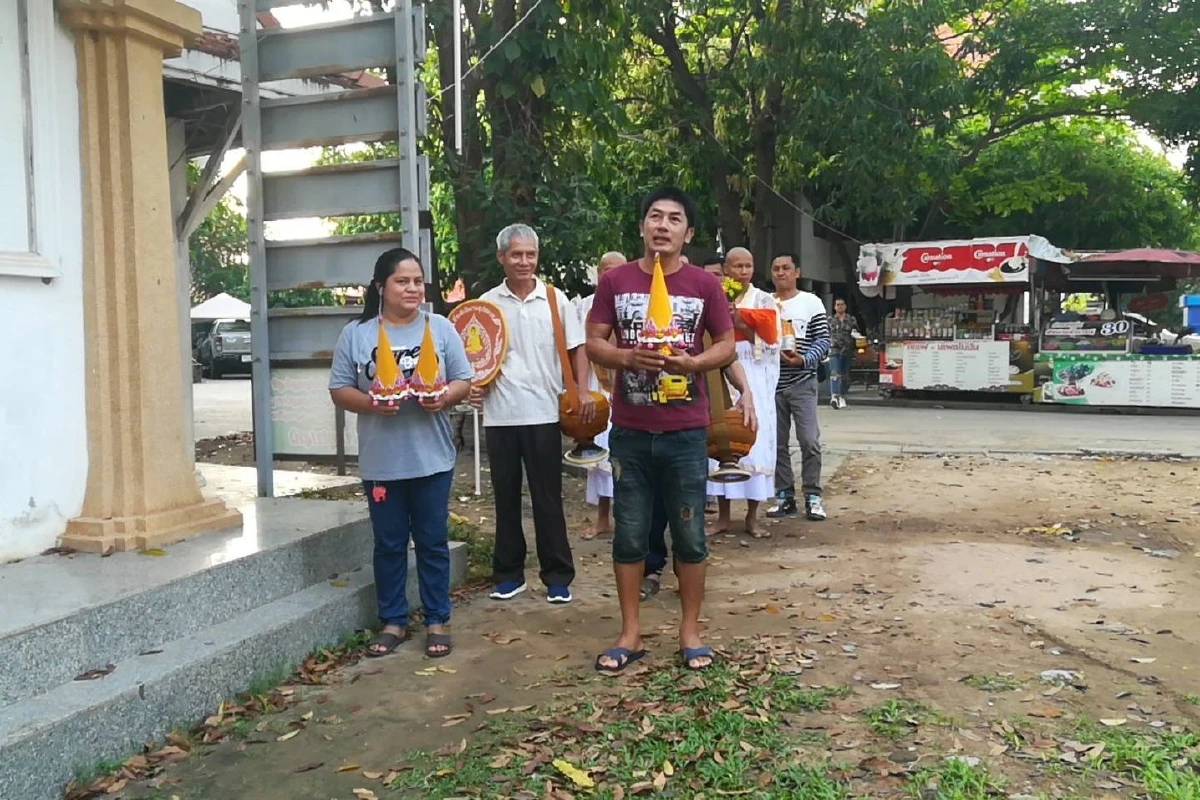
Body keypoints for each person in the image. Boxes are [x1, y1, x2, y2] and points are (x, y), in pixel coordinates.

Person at [586, 186, 736, 673]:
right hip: (630, 430)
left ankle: (690, 632)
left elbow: (728, 343)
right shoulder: (617, 282)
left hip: (686, 432)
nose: (663, 226)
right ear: (642, 227)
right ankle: (629, 633)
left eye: (674, 219)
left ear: (687, 233)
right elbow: (593, 342)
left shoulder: (703, 286)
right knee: (629, 536)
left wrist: (695, 363)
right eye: (655, 216)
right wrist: (626, 357)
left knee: (691, 536)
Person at [328, 248, 473, 658]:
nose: (412, 289)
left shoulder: (440, 328)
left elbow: (464, 379)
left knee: (432, 542)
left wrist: (443, 397)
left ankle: (436, 619)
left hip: (432, 459)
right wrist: (373, 404)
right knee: (389, 543)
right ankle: (392, 620)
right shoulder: (356, 334)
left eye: (417, 281)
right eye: (401, 281)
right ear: (381, 287)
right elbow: (339, 390)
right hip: (381, 463)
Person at [470, 224, 592, 604]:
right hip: (500, 414)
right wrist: (472, 386)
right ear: (501, 257)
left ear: (537, 257)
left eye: (530, 254)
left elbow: (578, 349)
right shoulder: (486, 305)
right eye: (516, 254)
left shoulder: (556, 301)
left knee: (547, 498)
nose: (523, 261)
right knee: (505, 497)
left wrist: (582, 389)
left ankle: (557, 576)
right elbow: (473, 356)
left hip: (544, 412)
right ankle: (508, 574)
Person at [708, 247, 779, 537]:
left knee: (755, 441)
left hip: (754, 371)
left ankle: (752, 516)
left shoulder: (764, 299)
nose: (743, 271)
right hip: (722, 369)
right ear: (726, 269)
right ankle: (723, 516)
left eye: (748, 265)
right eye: (737, 266)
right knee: (721, 434)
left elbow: (772, 343)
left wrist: (742, 323)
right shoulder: (716, 295)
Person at [767, 253, 830, 522]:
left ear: (797, 272)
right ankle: (784, 496)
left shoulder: (811, 302)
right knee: (777, 444)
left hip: (803, 381)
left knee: (809, 441)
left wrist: (804, 359)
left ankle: (813, 496)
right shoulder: (765, 303)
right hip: (772, 383)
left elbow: (823, 340)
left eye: (786, 268)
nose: (781, 273)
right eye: (776, 269)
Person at [576, 251, 628, 539]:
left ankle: (629, 520)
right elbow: (580, 349)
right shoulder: (584, 307)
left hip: (629, 388)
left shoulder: (632, 301)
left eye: (615, 270)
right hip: (598, 388)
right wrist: (582, 390)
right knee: (600, 456)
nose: (609, 275)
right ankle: (602, 518)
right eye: (604, 270)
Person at [829, 298, 856, 409]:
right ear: (834, 307)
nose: (839, 306)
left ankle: (842, 396)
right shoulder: (830, 320)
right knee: (835, 373)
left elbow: (855, 332)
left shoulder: (851, 319)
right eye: (837, 304)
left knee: (844, 374)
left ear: (845, 306)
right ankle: (834, 396)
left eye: (841, 304)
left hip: (847, 349)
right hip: (834, 349)